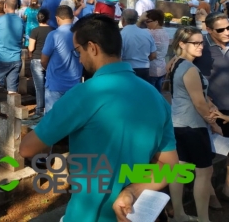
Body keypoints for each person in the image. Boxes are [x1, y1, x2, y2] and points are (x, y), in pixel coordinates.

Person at [19, 14, 177, 222]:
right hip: (132, 213)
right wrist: (132, 190)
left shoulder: (83, 95)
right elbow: (170, 166)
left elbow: (27, 148)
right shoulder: (155, 97)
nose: (80, 59)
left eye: (78, 51)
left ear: (92, 48)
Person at [168, 26, 220, 222]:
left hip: (178, 124)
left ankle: (180, 214)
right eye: (195, 43)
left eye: (201, 43)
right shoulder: (189, 68)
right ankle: (203, 218)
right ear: (182, 44)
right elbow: (199, 102)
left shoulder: (175, 63)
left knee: (179, 170)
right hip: (193, 126)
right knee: (204, 173)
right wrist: (213, 123)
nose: (200, 47)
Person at [40, 5, 82, 111]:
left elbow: (44, 60)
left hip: (55, 85)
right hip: (75, 85)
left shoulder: (54, 35)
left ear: (57, 18)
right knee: (72, 121)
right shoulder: (80, 35)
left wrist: (48, 69)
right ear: (72, 18)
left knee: (52, 121)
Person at [28, 9, 52, 118]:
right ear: (48, 18)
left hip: (37, 58)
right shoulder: (52, 30)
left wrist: (29, 53)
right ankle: (48, 108)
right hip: (49, 60)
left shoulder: (35, 31)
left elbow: (31, 47)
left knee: (39, 87)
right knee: (49, 85)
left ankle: (39, 109)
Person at [120, 9, 157, 82]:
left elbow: (118, 57)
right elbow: (153, 55)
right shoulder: (147, 34)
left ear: (123, 20)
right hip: (144, 70)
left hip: (127, 70)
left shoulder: (121, 35)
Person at [142, 9, 169, 92]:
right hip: (161, 68)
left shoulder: (151, 33)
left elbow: (133, 30)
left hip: (152, 69)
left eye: (148, 21)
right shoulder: (164, 32)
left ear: (156, 22)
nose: (146, 24)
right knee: (158, 94)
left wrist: (140, 20)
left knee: (150, 94)